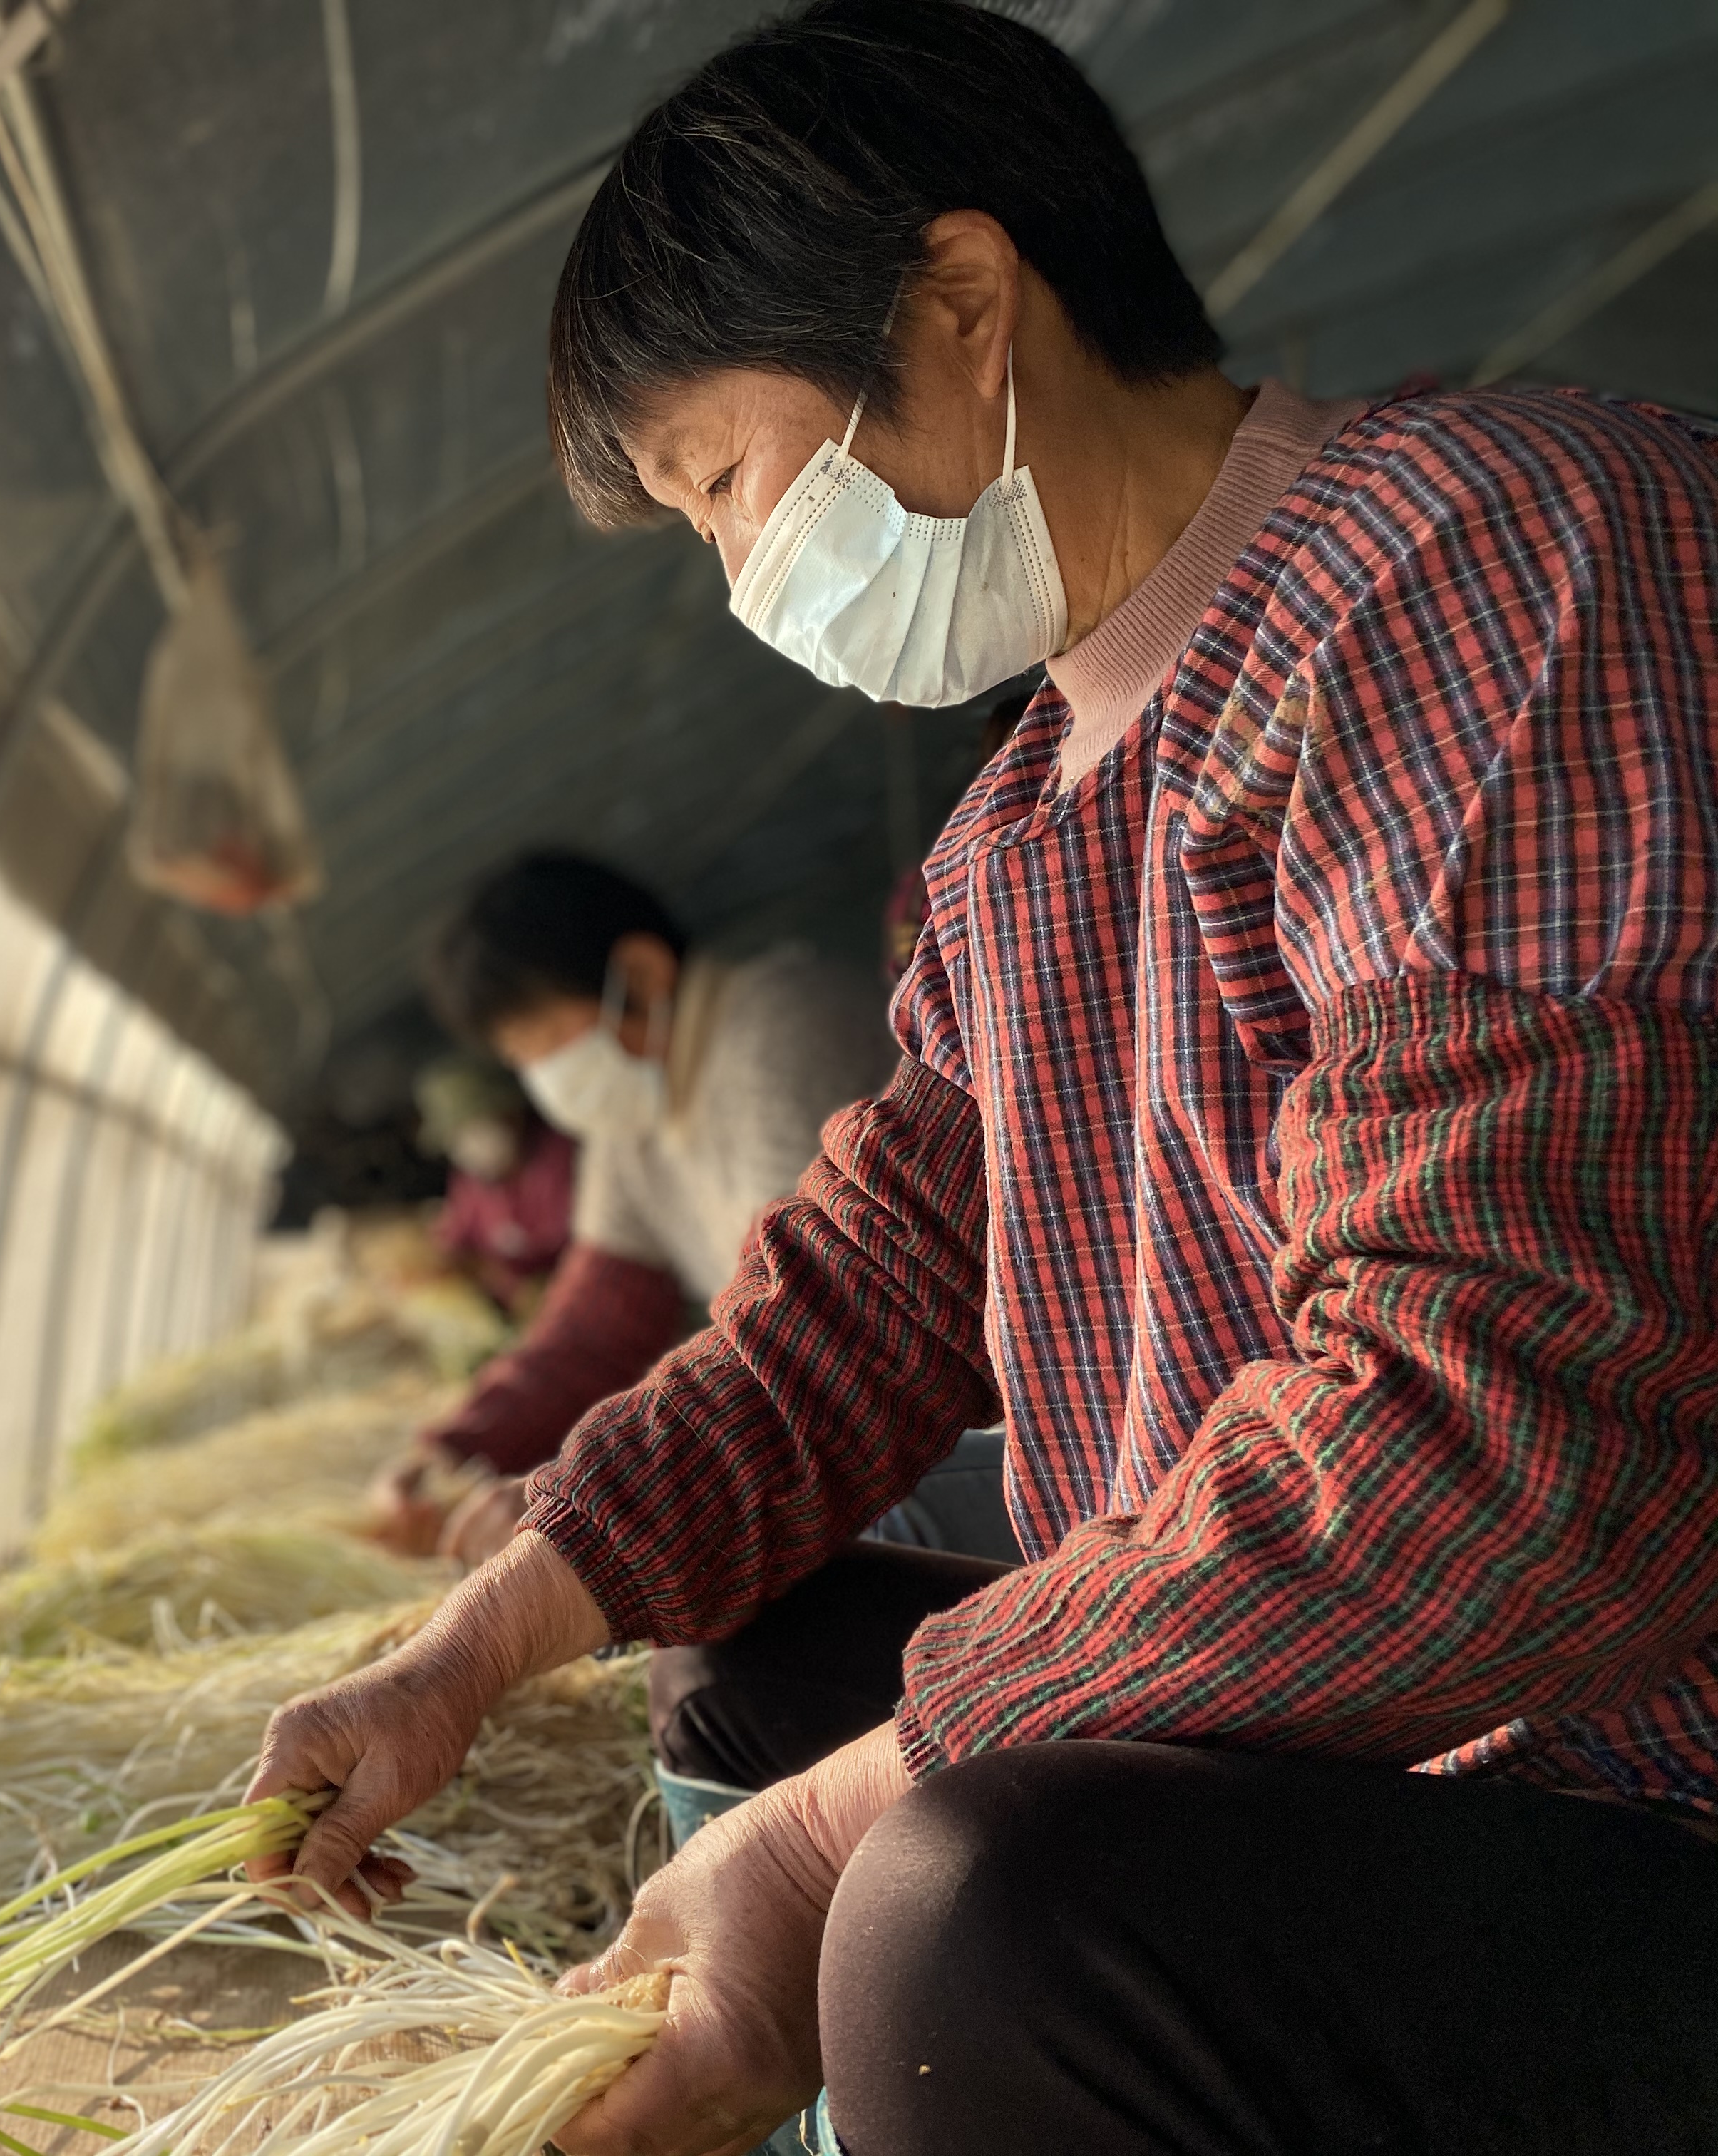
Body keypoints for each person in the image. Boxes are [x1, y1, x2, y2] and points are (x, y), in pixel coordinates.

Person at [250, 6, 1718, 2153]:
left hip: (1633, 1760)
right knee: (752, 1660)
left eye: (732, 487)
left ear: (958, 306)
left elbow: (1501, 1448)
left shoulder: (1484, 575)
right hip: (1375, 1734)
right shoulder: (1025, 830)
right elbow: (855, 1298)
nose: (748, 577)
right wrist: (470, 1652)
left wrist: (846, 1824)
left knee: (954, 1920)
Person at [371, 853, 893, 1565]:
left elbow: (802, 1319)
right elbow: (594, 1332)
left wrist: (592, 1489)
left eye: (553, 1042)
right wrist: (454, 1448)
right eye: (525, 1060)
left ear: (644, 974)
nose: (548, 1081)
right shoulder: (633, 1126)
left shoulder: (780, 1029)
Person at [413, 1054, 576, 1316]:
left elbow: (594, 1254)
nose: (468, 1145)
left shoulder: (563, 1161)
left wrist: (527, 1288)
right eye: (455, 1136)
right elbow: (454, 1240)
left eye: (474, 1126)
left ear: (511, 1114)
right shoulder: (472, 1180)